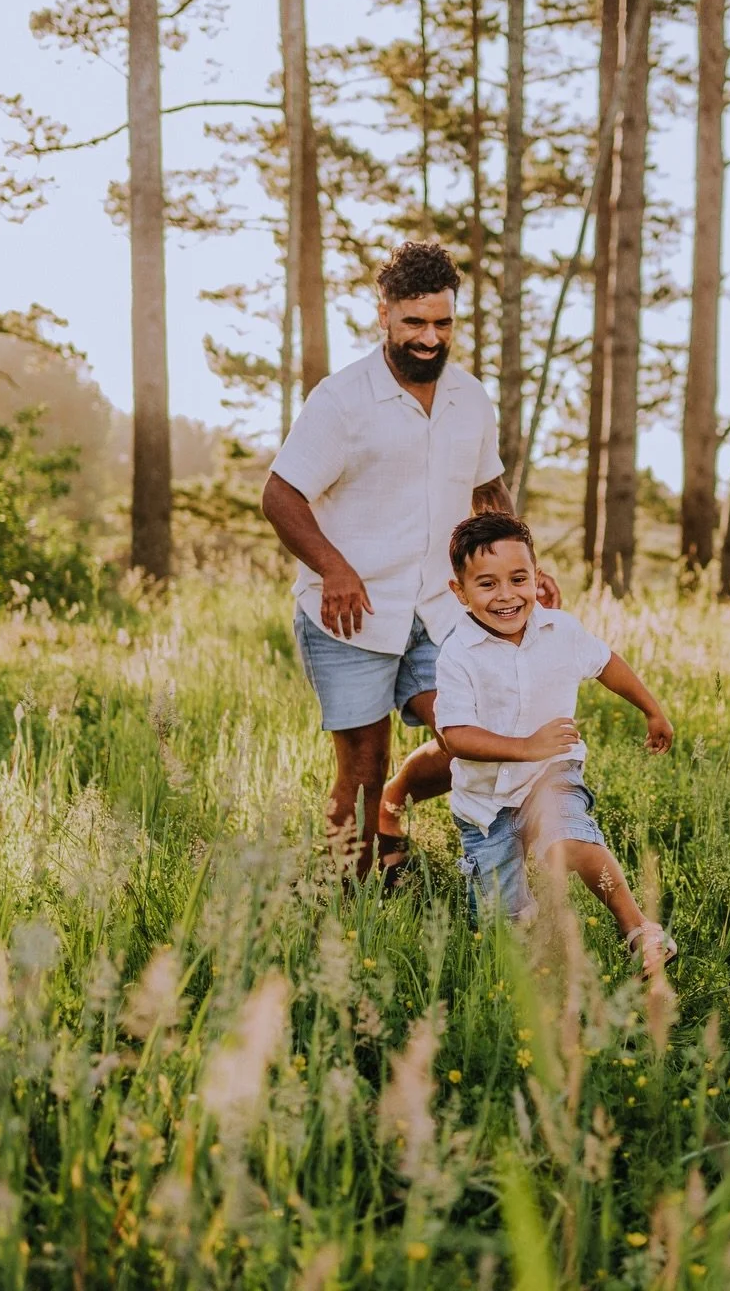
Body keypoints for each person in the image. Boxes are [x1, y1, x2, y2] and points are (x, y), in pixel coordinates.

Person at [262, 241, 560, 877]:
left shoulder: (470, 400)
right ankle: (348, 907)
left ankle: (395, 806)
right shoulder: (341, 400)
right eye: (415, 323)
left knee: (480, 741)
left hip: (439, 609)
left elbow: (488, 492)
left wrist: (522, 569)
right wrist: (334, 568)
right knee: (362, 770)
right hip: (352, 614)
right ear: (384, 316)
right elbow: (280, 494)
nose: (430, 338)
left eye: (443, 323)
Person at [434, 511, 677, 972]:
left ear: (537, 578)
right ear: (459, 592)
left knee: (571, 838)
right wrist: (525, 745)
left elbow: (607, 663)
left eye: (518, 578)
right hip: (485, 802)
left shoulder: (561, 631)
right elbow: (455, 736)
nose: (506, 595)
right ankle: (524, 918)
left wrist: (652, 709)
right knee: (503, 927)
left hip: (552, 773)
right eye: (486, 585)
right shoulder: (458, 654)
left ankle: (639, 930)